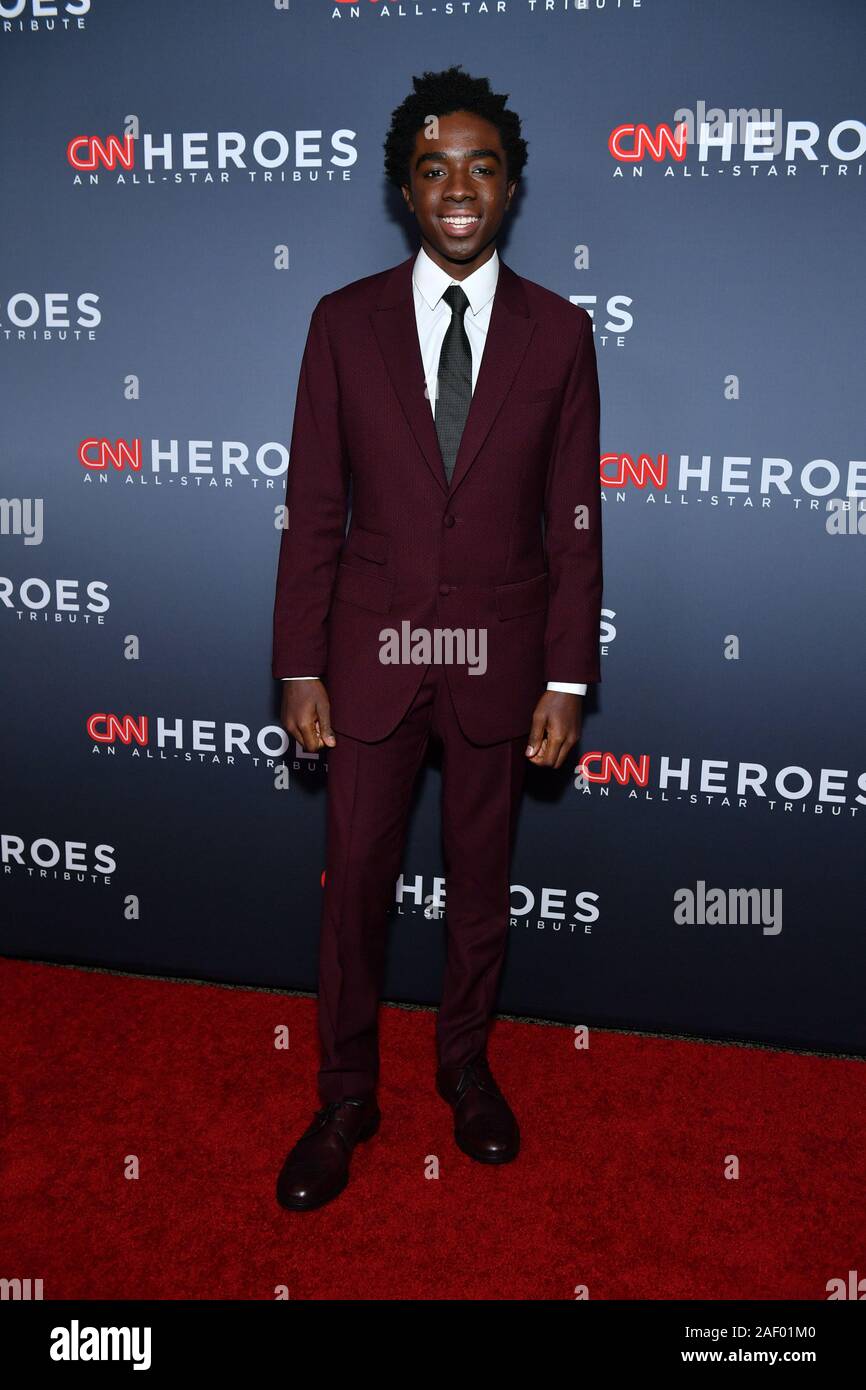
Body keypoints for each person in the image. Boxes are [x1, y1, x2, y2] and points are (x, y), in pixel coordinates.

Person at [271, 64, 602, 1211]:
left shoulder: (560, 334)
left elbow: (572, 516)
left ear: (508, 186)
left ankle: (464, 1065)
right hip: (366, 658)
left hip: (499, 662)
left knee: (479, 881)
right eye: (432, 168)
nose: (456, 186)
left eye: (480, 165)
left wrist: (565, 676)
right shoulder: (340, 322)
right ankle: (345, 1093)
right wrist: (299, 662)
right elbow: (315, 504)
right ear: (404, 190)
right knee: (353, 881)